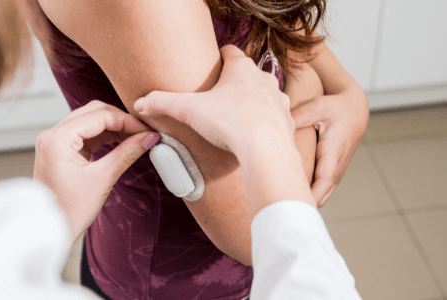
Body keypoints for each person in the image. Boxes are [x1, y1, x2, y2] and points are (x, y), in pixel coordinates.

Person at [33, 0, 369, 298]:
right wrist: (309, 83)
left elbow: (272, 16)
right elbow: (255, 227)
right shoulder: (147, 8)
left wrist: (346, 89)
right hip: (184, 281)